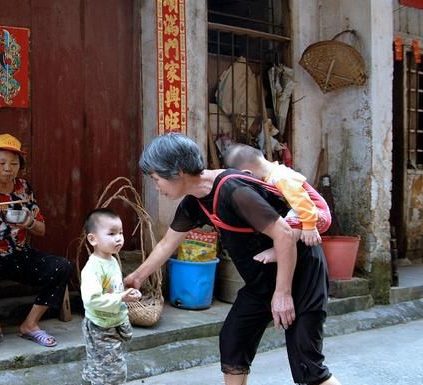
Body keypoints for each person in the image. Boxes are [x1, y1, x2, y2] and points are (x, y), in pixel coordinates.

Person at [124, 133, 342, 385]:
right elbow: (167, 243)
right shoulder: (194, 203)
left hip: (301, 272)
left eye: (156, 179)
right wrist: (137, 277)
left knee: (307, 362)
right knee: (233, 340)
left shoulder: (233, 190)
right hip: (262, 280)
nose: (156, 187)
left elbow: (284, 236)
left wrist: (283, 294)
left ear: (178, 171)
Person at [0, 133, 72, 352]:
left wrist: (29, 222)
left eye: (14, 163)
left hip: (17, 255)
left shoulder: (23, 189)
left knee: (62, 266)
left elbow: (42, 229)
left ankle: (30, 324)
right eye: (2, 163)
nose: (8, 168)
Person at [223, 143, 331, 263]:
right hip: (306, 213)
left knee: (286, 225)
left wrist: (309, 226)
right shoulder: (273, 173)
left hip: (316, 213)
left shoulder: (280, 177)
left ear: (247, 174)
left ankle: (279, 250)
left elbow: (302, 200)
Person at [80, 208, 142, 385]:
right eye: (112, 233)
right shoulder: (93, 268)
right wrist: (121, 297)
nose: (119, 238)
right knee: (112, 370)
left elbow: (114, 289)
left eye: (121, 233)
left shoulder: (112, 260)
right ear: (93, 239)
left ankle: (90, 380)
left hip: (113, 320)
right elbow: (92, 299)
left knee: (101, 363)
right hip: (100, 325)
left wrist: (127, 294)